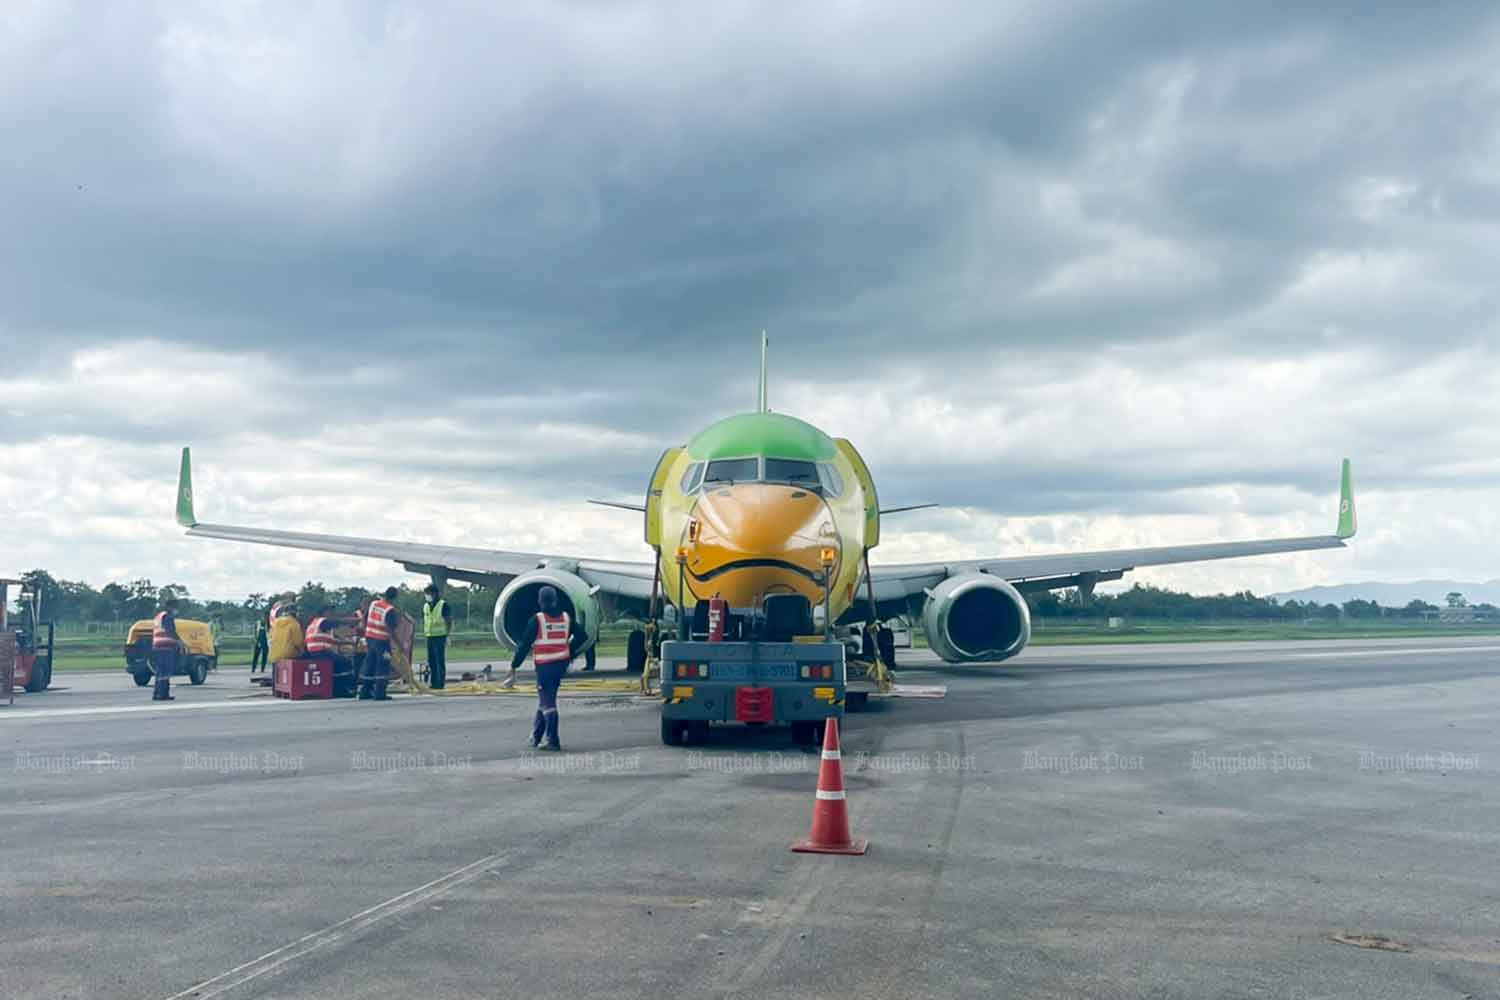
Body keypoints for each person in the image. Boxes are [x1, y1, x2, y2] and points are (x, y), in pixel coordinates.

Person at [507, 586, 586, 751]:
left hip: (544, 667)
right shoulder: (566, 618)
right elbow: (582, 636)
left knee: (548, 702)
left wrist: (514, 665)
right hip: (560, 665)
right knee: (545, 699)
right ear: (555, 600)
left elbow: (524, 645)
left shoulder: (538, 620)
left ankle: (553, 740)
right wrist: (569, 652)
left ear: (540, 601)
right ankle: (536, 736)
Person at [305, 606, 358, 697]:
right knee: (345, 662)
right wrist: (350, 620)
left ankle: (337, 689)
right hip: (320, 652)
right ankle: (345, 688)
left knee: (338, 663)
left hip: (315, 652)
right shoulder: (322, 621)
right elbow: (336, 622)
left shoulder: (314, 624)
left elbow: (330, 640)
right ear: (324, 612)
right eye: (330, 612)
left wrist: (348, 642)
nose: (332, 614)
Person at [359, 587, 400, 701]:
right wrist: (399, 644)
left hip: (370, 638)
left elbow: (365, 617)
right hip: (381, 641)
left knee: (370, 664)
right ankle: (379, 693)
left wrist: (364, 628)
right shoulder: (389, 610)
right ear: (395, 597)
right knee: (383, 665)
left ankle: (365, 691)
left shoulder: (374, 603)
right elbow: (391, 630)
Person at [150, 597, 182, 702]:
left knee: (160, 672)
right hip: (165, 647)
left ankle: (159, 693)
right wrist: (179, 642)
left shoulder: (158, 616)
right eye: (175, 607)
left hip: (157, 646)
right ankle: (162, 694)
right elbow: (170, 630)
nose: (176, 610)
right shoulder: (167, 616)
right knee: (165, 671)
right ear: (170, 607)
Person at [422, 583, 453, 690]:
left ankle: (440, 683)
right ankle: (434, 682)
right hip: (430, 636)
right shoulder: (426, 605)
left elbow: (449, 621)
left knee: (439, 660)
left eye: (428, 593)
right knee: (431, 661)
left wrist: (448, 635)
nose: (427, 596)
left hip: (440, 636)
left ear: (434, 594)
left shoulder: (443, 605)